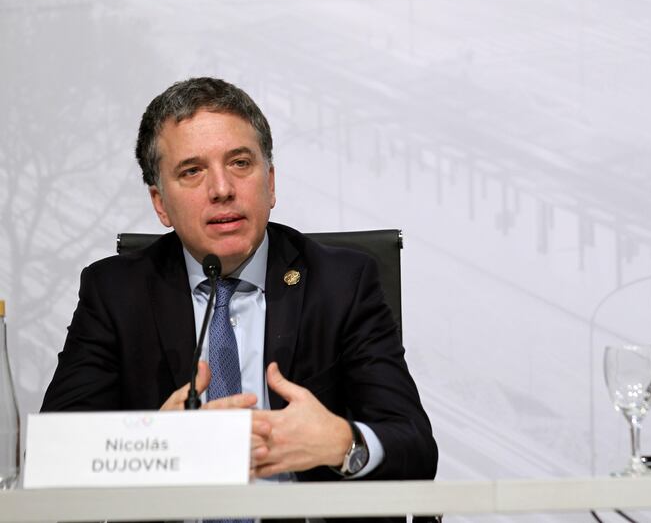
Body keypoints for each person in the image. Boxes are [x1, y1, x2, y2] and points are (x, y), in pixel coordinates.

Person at [42, 77, 437, 522]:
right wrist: (152, 444)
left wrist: (343, 444)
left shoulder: (342, 282)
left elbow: (416, 448)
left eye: (240, 163)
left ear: (269, 183)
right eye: (192, 171)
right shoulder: (115, 292)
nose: (222, 189)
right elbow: (56, 456)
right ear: (160, 204)